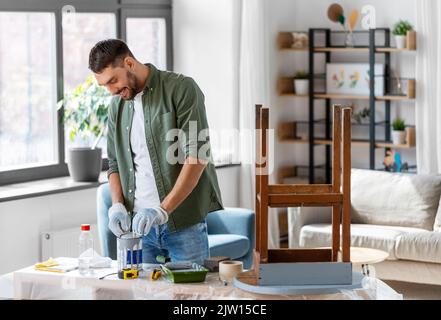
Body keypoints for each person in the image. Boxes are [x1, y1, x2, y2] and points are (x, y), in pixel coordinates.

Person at [90, 39, 223, 263]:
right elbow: (114, 163)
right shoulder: (117, 106)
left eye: (113, 80)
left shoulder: (181, 88)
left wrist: (162, 211)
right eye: (104, 85)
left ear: (129, 63)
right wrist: (117, 205)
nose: (112, 90)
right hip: (139, 228)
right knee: (145, 295)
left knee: (192, 296)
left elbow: (197, 157)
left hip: (183, 224)